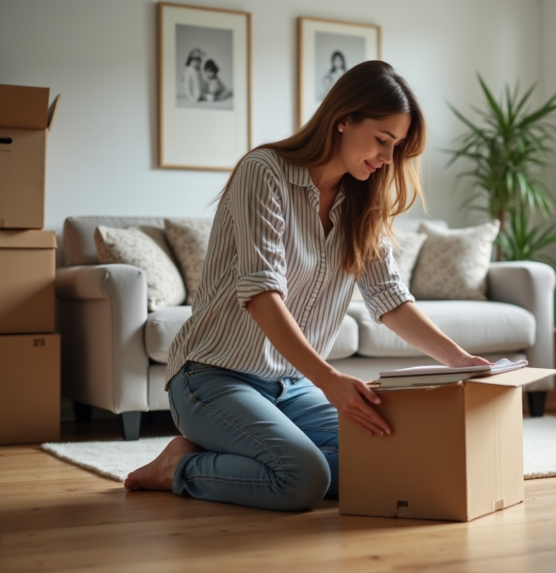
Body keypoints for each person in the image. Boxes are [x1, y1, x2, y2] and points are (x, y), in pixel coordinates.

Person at [124, 60, 491, 511]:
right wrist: (331, 380)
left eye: (395, 148)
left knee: (385, 460)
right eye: (381, 140)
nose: (387, 159)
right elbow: (261, 296)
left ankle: (235, 453)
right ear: (343, 119)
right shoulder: (264, 172)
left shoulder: (364, 199)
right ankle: (177, 467)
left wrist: (459, 362)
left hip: (289, 385)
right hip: (212, 377)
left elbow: (389, 298)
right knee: (302, 477)